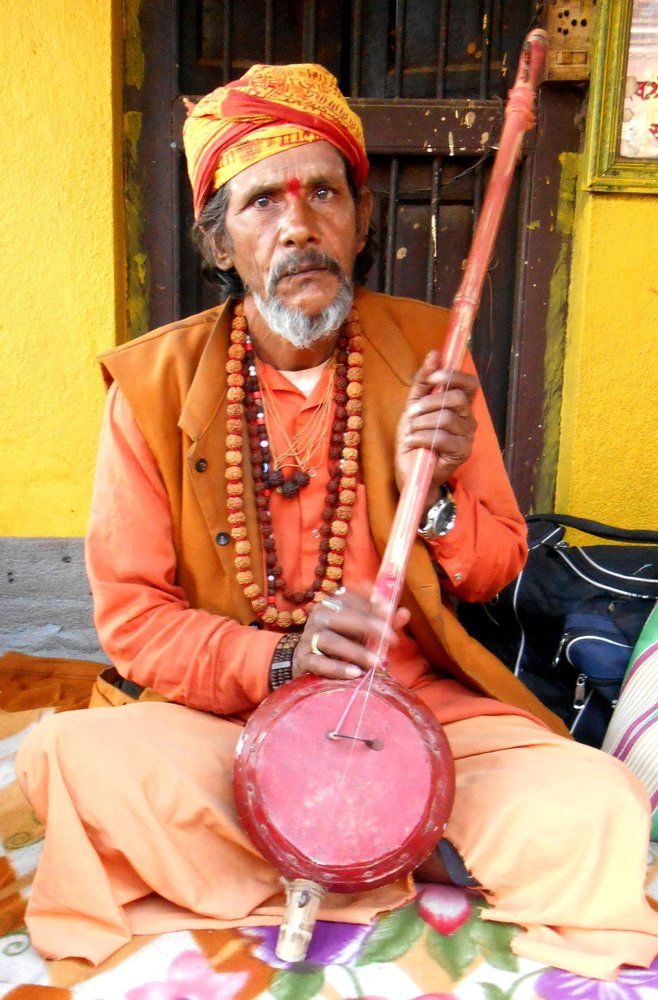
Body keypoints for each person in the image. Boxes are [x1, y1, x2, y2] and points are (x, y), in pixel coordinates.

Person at [16, 63, 658, 978]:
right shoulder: (153, 390)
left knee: (598, 806)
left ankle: (373, 826)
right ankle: (395, 848)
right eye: (262, 203)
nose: (298, 225)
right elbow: (134, 621)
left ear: (359, 221)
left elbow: (495, 571)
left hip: (414, 716)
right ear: (219, 244)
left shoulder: (432, 354)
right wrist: (280, 658)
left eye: (323, 192)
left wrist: (433, 498)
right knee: (70, 759)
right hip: (233, 725)